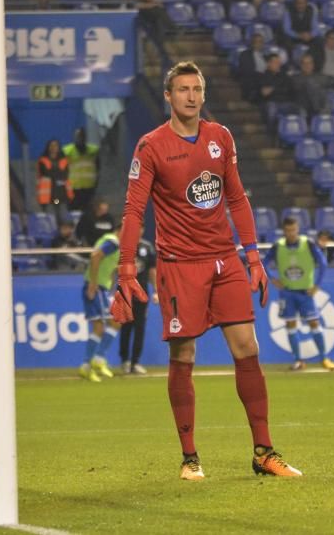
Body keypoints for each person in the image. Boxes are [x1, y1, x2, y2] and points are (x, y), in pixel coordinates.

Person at [111, 60, 302, 481]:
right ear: (168, 96)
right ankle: (190, 456)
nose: (191, 97)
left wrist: (252, 257)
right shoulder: (151, 146)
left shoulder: (220, 137)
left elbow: (236, 198)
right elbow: (132, 209)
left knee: (248, 348)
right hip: (180, 266)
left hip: (224, 261)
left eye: (197, 89)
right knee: (184, 354)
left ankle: (264, 452)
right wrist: (126, 269)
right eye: (182, 89)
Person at [264, 217, 334, 372]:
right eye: (288, 230)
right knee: (290, 325)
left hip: (305, 291)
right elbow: (264, 262)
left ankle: (324, 358)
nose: (291, 233)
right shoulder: (278, 246)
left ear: (298, 229)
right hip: (287, 292)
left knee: (314, 323)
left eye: (293, 229)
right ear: (284, 231)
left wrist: (317, 285)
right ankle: (298, 360)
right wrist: (272, 279)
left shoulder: (307, 244)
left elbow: (322, 262)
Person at [79, 222, 123, 383]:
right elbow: (96, 255)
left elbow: (110, 266)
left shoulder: (114, 243)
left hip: (102, 288)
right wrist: (93, 283)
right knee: (99, 326)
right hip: (96, 287)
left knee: (115, 322)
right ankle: (88, 365)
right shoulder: (113, 242)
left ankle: (96, 360)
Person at [119, 229, 157, 375]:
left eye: (141, 228)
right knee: (126, 327)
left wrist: (156, 290)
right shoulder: (123, 246)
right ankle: (125, 361)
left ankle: (135, 362)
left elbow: (152, 271)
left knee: (139, 328)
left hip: (141, 294)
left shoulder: (147, 247)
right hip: (125, 292)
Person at [36, 139, 72, 225]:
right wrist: (58, 173)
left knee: (64, 218)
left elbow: (65, 174)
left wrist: (56, 173)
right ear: (48, 147)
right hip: (48, 196)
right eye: (51, 145)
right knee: (51, 219)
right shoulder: (43, 160)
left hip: (62, 194)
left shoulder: (64, 160)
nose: (53, 148)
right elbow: (46, 173)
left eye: (55, 145)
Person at [63, 127, 99, 211]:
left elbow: (98, 169)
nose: (80, 138)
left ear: (86, 137)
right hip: (73, 188)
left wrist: (96, 184)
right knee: (73, 213)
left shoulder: (93, 151)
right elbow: (63, 169)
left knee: (87, 213)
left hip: (89, 188)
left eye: (82, 136)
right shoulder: (67, 151)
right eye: (78, 136)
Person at [237, 32, 268, 102]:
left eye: (261, 42)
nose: (259, 44)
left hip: (266, 82)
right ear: (252, 43)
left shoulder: (266, 56)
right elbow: (247, 72)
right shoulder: (245, 55)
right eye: (257, 41)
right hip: (253, 85)